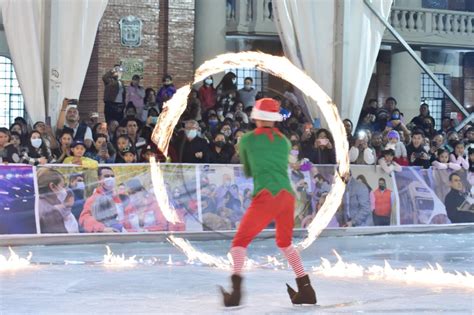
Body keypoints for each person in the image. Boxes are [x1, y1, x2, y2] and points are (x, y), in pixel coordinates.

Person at [220, 98, 316, 307]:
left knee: (239, 243)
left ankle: (235, 292)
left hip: (266, 195)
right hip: (287, 196)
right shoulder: (284, 141)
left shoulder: (246, 140)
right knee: (285, 243)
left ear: (255, 116)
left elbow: (247, 170)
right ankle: (306, 289)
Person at [79, 167, 124, 232]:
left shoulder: (117, 197)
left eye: (112, 176)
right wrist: (102, 229)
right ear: (99, 179)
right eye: (107, 176)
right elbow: (84, 218)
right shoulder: (93, 199)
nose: (110, 178)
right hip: (106, 235)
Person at [37, 167, 68, 233]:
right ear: (53, 186)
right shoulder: (51, 212)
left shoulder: (36, 203)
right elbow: (62, 239)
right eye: (62, 186)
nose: (64, 190)